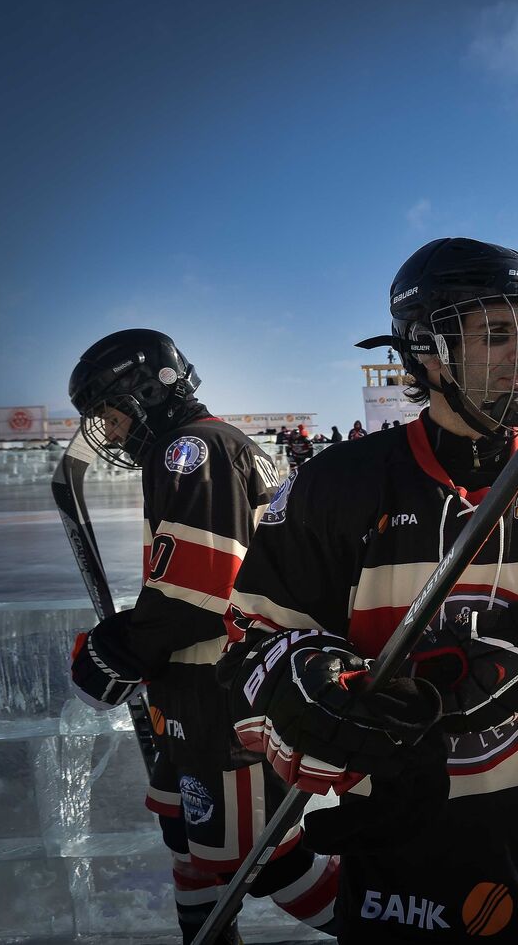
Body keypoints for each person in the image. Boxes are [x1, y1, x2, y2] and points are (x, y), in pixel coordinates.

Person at [217, 237, 518, 943]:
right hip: (405, 884)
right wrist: (304, 680)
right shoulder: (337, 487)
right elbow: (252, 637)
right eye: (498, 333)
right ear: (427, 352)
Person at [65, 329, 338, 944]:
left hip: (222, 693)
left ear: (143, 393)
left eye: (106, 413)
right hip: (197, 691)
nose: (106, 432)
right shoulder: (208, 444)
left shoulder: (192, 449)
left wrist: (115, 653)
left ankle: (396, 928)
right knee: (192, 846)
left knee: (261, 862)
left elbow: (198, 595)